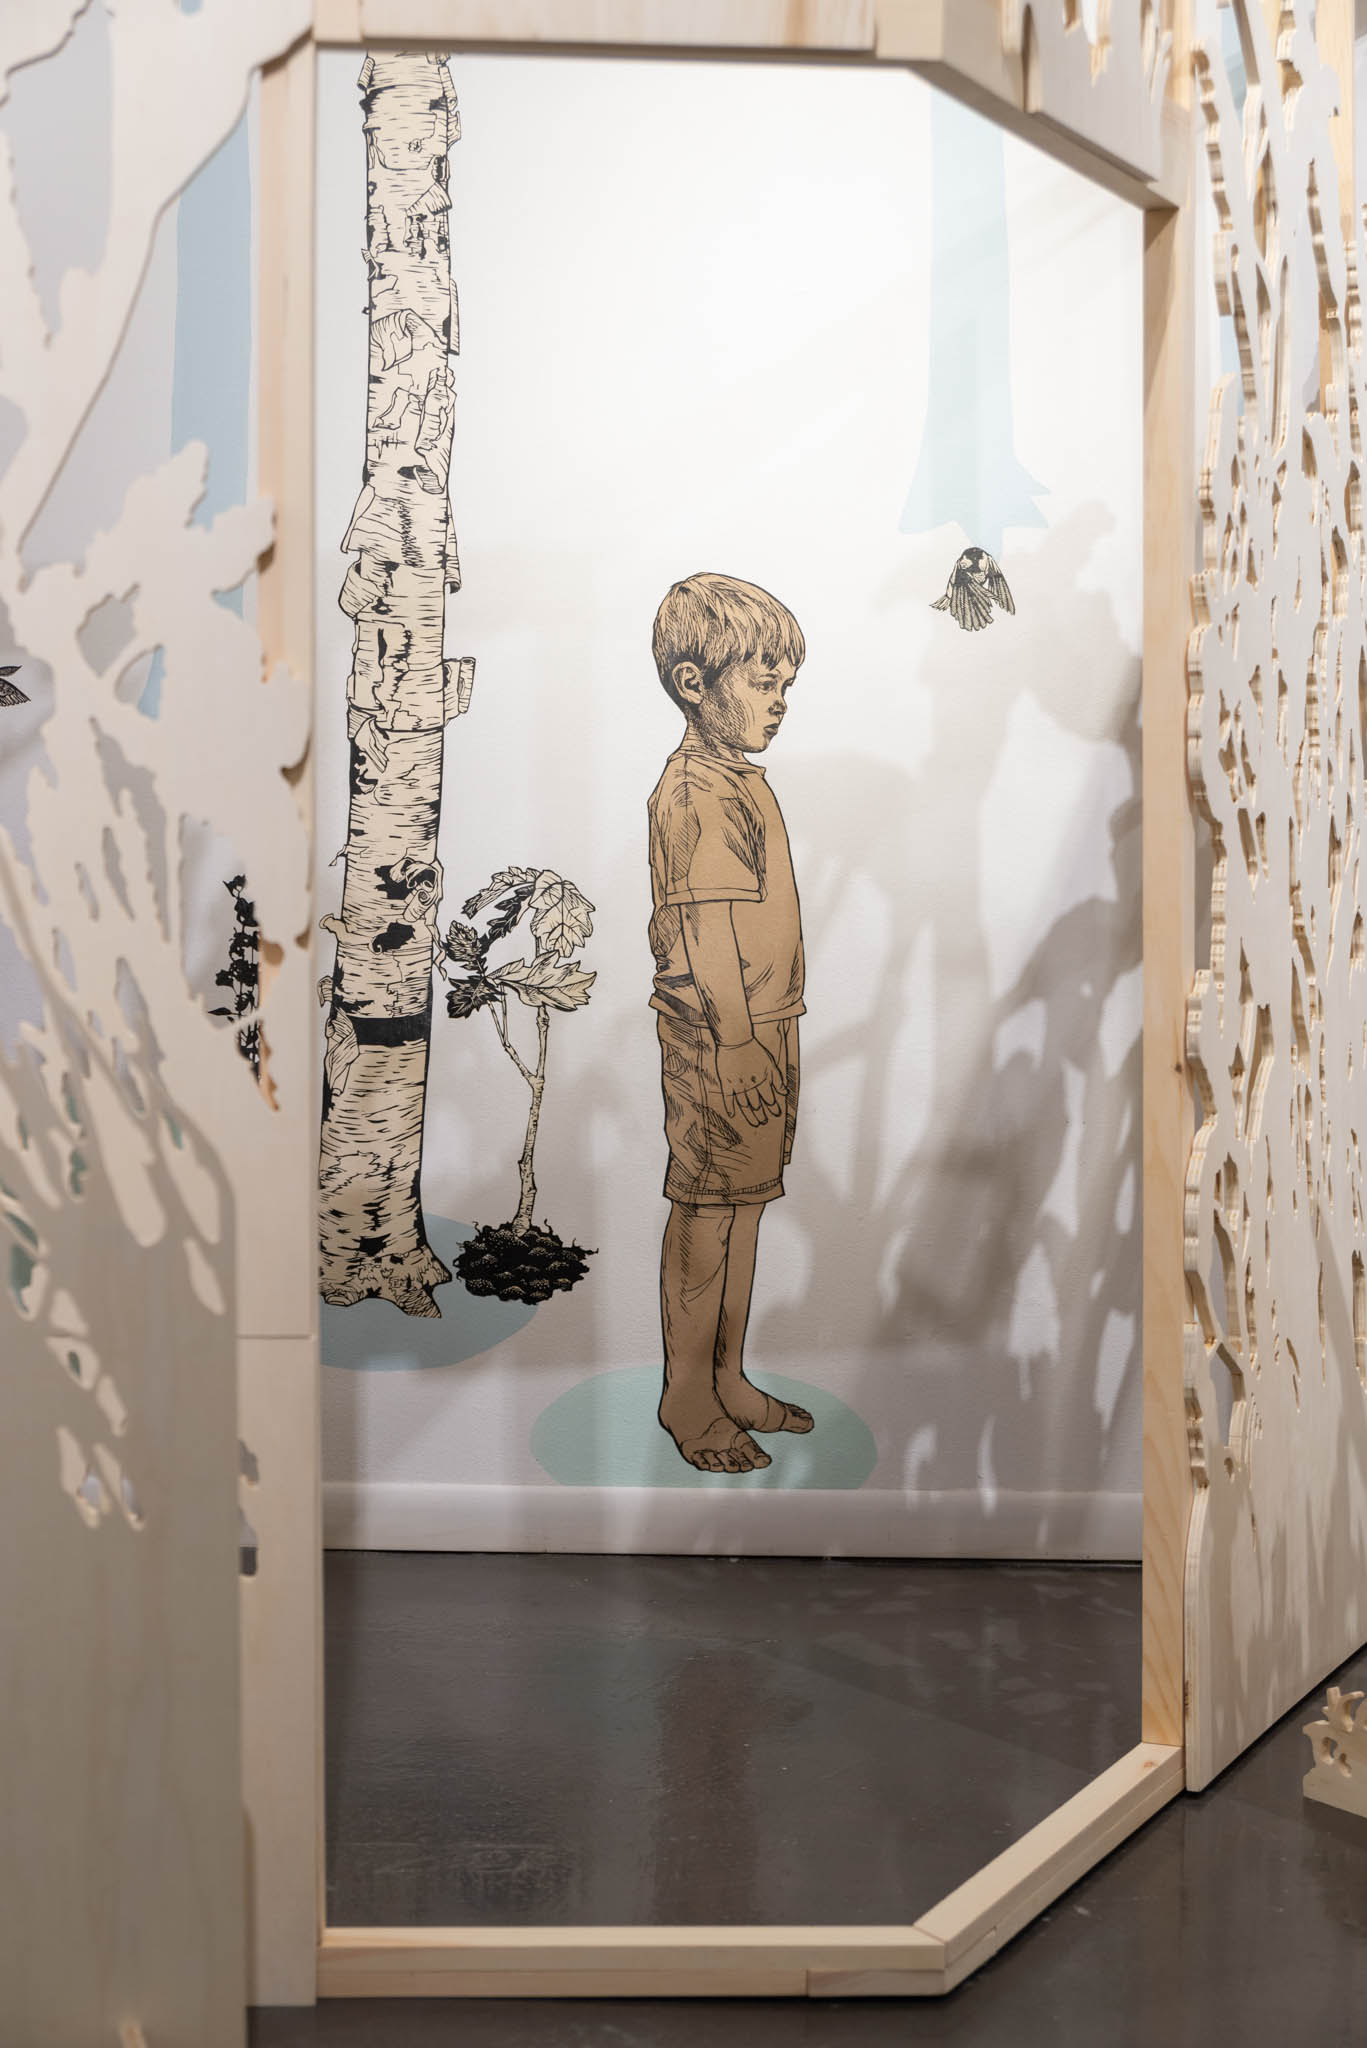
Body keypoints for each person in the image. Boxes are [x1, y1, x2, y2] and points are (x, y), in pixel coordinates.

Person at [646, 571, 815, 1473]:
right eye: (762, 681)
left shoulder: (739, 782)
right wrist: (741, 1042)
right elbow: (704, 928)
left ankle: (726, 1378)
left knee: (743, 1209)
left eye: (785, 684)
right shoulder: (694, 793)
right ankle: (686, 1399)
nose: (779, 701)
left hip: (766, 1026)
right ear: (693, 683)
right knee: (707, 1213)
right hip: (720, 1039)